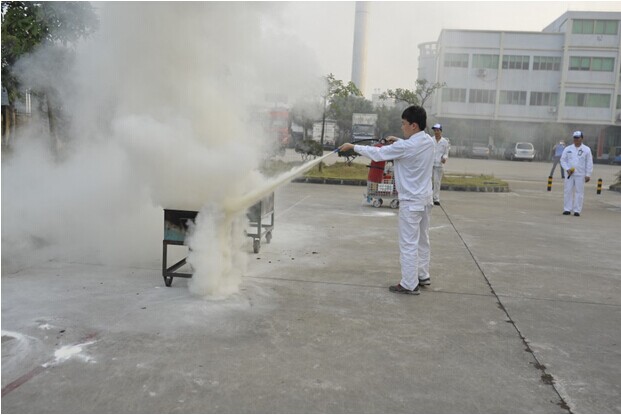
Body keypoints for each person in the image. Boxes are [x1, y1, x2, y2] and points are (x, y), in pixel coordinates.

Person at [339, 105, 434, 295]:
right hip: (425, 200)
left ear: (413, 126)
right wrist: (398, 140)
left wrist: (353, 147)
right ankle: (422, 275)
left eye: (404, 124)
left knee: (408, 244)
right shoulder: (429, 141)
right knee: (423, 240)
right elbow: (410, 146)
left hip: (410, 202)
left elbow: (378, 154)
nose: (402, 127)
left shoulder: (404, 147)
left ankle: (409, 284)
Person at [560, 131, 593, 217]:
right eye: (575, 138)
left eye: (578, 138)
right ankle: (567, 209)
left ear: (582, 138)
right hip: (569, 174)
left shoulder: (586, 149)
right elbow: (563, 160)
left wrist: (588, 174)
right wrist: (567, 169)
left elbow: (589, 162)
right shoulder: (568, 149)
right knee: (568, 191)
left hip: (580, 174)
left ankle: (577, 210)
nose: (576, 139)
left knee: (579, 192)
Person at [431, 123, 450, 205]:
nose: (436, 132)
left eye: (437, 130)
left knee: (437, 182)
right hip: (430, 164)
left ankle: (436, 198)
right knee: (428, 181)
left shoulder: (445, 142)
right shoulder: (431, 140)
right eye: (435, 130)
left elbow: (446, 153)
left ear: (441, 131)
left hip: (439, 165)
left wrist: (444, 158)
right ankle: (428, 197)